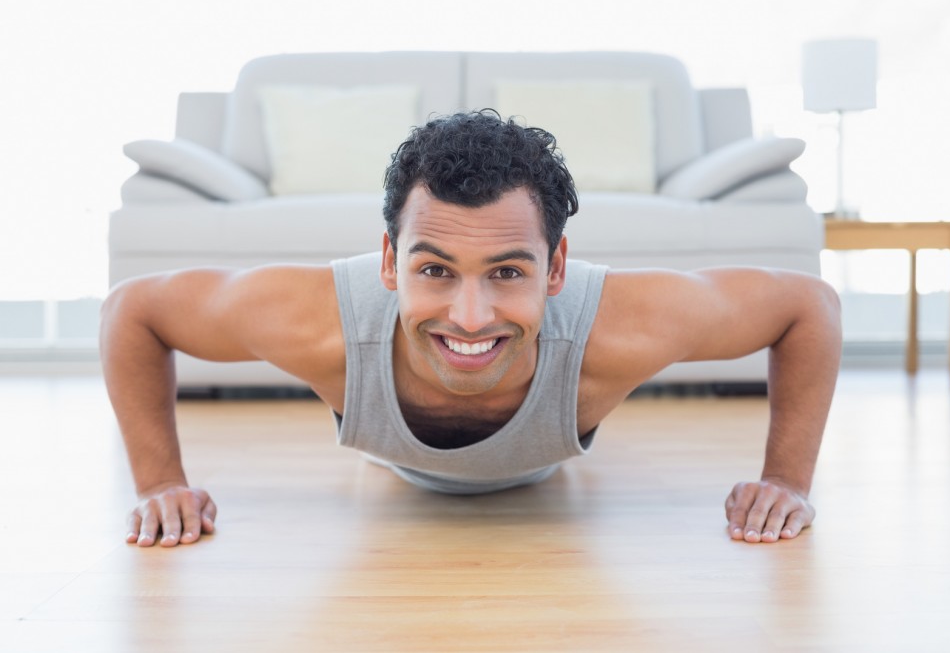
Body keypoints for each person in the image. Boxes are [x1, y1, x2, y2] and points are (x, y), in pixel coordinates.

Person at [100, 110, 841, 549]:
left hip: (557, 420)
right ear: (389, 261)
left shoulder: (613, 330)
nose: (470, 316)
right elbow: (133, 310)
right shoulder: (322, 321)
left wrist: (786, 482)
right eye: (435, 270)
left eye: (509, 273)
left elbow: (808, 306)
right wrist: (160, 484)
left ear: (556, 270)